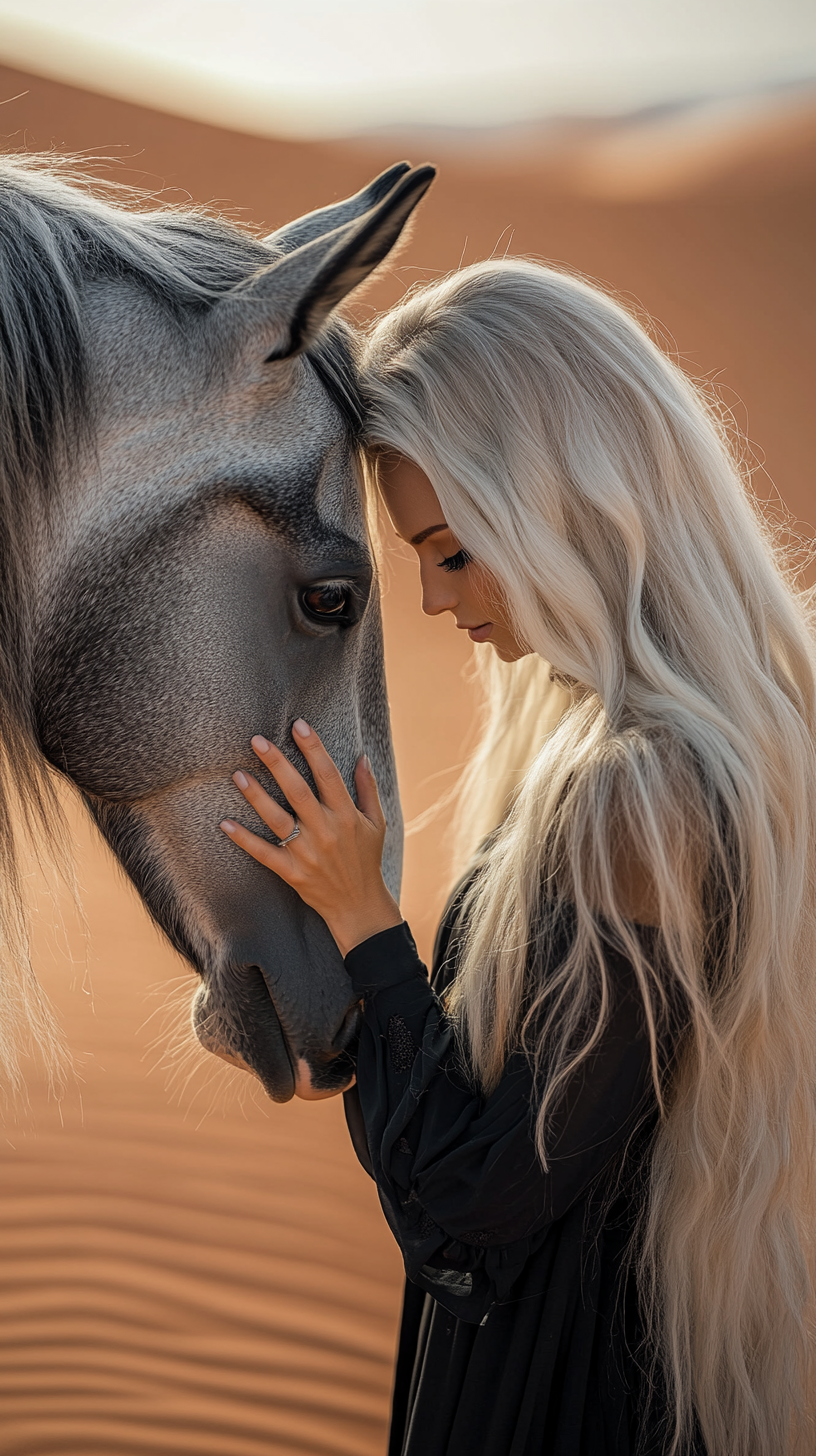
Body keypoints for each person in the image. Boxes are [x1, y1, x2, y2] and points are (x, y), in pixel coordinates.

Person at [219, 260, 816, 1455]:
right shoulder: (728, 734)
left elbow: (473, 1217)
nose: (438, 602)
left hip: (559, 1400)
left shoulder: (642, 796)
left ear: (561, 500)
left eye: (450, 549)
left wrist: (362, 927)